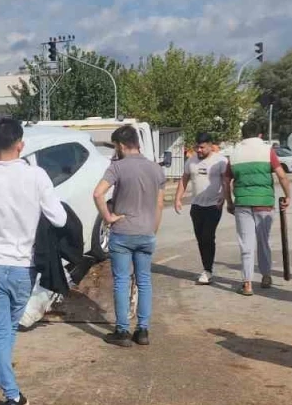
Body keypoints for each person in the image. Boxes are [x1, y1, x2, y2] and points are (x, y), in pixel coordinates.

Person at [0, 118, 66, 405]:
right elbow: (59, 219)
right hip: (23, 266)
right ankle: (12, 396)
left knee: (2, 332)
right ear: (21, 145)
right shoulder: (37, 176)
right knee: (7, 331)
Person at [94, 125, 166, 346]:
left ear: (121, 145)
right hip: (146, 232)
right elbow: (159, 205)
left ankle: (122, 331)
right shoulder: (156, 169)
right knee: (144, 281)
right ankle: (143, 330)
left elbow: (97, 193)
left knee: (122, 281)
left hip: (123, 232)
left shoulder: (117, 167)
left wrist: (108, 217)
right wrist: (152, 230)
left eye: (116, 146)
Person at [223, 121, 292, 297]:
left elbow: (226, 181)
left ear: (243, 135)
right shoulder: (267, 151)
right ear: (260, 135)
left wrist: (229, 202)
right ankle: (266, 276)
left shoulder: (234, 154)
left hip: (243, 203)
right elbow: (282, 176)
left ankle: (247, 284)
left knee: (246, 244)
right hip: (264, 203)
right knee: (263, 241)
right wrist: (288, 196)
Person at [172, 132, 227, 285]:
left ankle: (208, 270)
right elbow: (184, 179)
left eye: (202, 147)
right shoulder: (191, 161)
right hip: (196, 206)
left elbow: (226, 181)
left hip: (213, 205)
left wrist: (224, 196)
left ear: (210, 146)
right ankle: (206, 268)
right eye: (197, 147)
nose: (199, 150)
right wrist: (178, 198)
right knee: (200, 238)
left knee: (208, 236)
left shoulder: (220, 161)